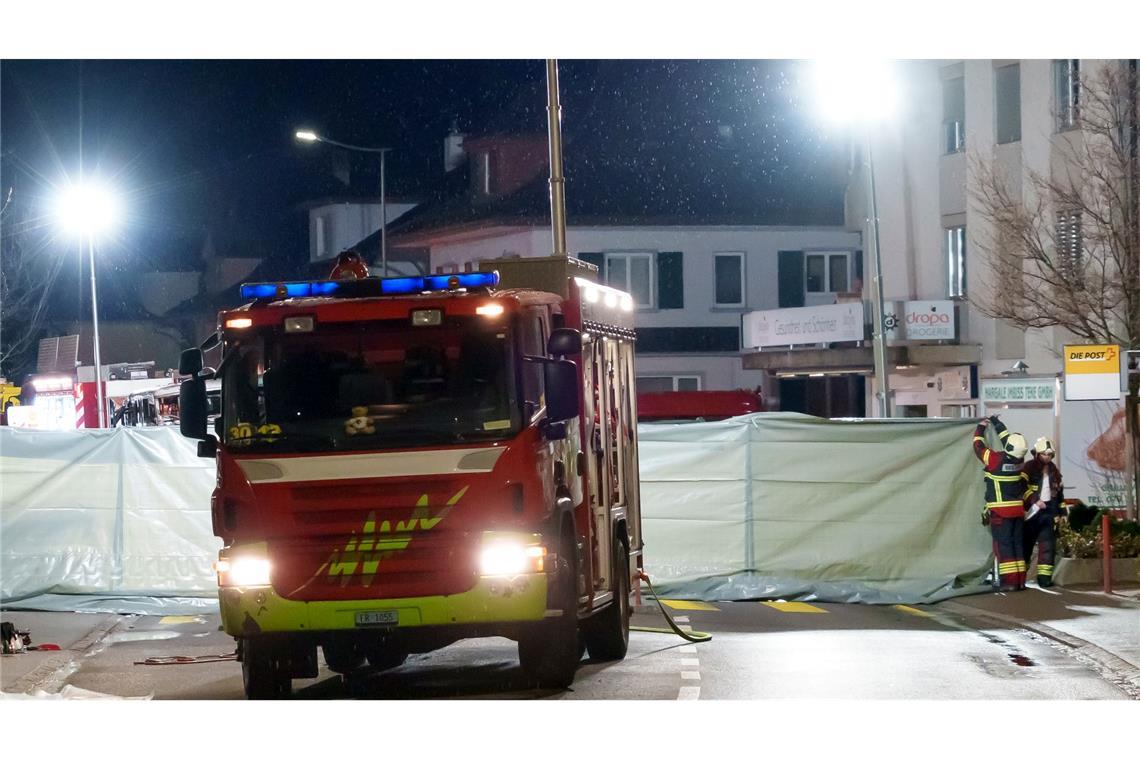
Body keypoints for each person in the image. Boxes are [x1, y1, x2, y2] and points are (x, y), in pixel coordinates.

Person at [973, 416, 1031, 591]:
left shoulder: (995, 460)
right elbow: (1009, 441)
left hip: (1000, 512)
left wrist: (980, 428)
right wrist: (998, 424)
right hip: (1017, 511)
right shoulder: (1019, 461)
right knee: (1017, 544)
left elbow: (978, 446)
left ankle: (1010, 582)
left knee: (1004, 546)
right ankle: (1020, 581)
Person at [1021, 437, 1064, 587]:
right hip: (1031, 513)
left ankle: (1044, 579)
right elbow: (1021, 487)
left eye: (1050, 454)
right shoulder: (1029, 467)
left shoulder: (1054, 471)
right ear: (1037, 453)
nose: (1047, 457)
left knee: (1048, 546)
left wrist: (1061, 512)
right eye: (1044, 454)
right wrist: (1034, 500)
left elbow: (1059, 493)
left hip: (1049, 512)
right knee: (1026, 545)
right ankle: (1020, 578)